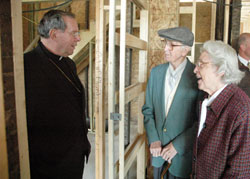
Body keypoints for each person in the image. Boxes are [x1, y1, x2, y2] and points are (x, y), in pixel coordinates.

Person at [24, 10, 90, 178]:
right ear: (54, 34)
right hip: (49, 165)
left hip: (74, 157)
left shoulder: (69, 63)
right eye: (74, 33)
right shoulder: (26, 67)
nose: (79, 38)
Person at [142, 27, 199, 179]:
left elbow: (200, 122)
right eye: (166, 43)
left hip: (181, 156)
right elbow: (148, 110)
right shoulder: (156, 73)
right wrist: (153, 139)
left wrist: (177, 145)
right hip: (157, 154)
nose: (166, 48)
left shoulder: (197, 76)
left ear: (185, 50)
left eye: (172, 45)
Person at [192, 40, 250, 178]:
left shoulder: (241, 110)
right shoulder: (206, 98)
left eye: (201, 64)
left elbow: (239, 174)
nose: (195, 69)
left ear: (221, 70)